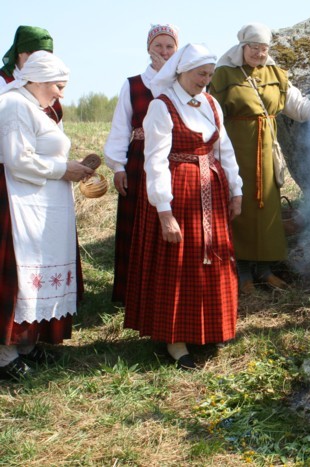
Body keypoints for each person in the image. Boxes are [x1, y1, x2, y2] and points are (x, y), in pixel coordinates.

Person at [209, 23, 310, 294]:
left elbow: (297, 105)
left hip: (267, 151)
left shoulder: (276, 74)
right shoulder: (223, 75)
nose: (259, 53)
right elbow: (209, 114)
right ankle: (241, 271)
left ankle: (265, 269)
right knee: (239, 207)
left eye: (264, 48)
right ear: (242, 47)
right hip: (234, 151)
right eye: (254, 47)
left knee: (267, 208)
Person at [123, 43, 243, 370]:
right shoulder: (162, 106)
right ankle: (175, 340)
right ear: (182, 71)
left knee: (213, 258)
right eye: (200, 74)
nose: (205, 80)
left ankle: (209, 328)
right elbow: (155, 161)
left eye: (209, 74)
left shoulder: (211, 103)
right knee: (179, 263)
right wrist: (164, 210)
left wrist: (236, 190)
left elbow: (224, 149)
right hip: (178, 193)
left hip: (212, 192)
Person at [0, 51, 94, 380]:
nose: (61, 94)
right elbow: (17, 159)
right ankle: (4, 353)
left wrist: (72, 168)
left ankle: (26, 343)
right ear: (37, 79)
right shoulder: (14, 105)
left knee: (37, 271)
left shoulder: (36, 108)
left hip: (42, 204)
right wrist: (62, 168)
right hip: (17, 204)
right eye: (58, 85)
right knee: (17, 279)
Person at [104, 24, 179, 304]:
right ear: (148, 48)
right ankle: (131, 291)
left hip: (172, 159)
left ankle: (162, 288)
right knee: (135, 221)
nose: (164, 51)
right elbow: (120, 127)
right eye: (158, 46)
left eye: (169, 46)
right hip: (138, 159)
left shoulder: (180, 83)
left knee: (168, 218)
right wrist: (118, 167)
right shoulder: (134, 84)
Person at [1, 25, 64, 125]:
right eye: (35, 56)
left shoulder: (49, 86)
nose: (41, 61)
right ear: (20, 53)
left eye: (46, 57)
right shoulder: (3, 82)